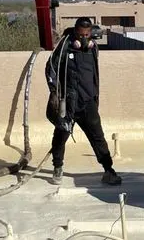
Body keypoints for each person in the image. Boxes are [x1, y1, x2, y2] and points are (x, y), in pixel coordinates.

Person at [45, 17, 122, 187]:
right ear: (75, 32)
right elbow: (50, 67)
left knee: (98, 137)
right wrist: (54, 92)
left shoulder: (93, 49)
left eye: (87, 35)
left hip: (88, 101)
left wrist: (94, 97)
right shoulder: (65, 46)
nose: (84, 38)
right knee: (60, 136)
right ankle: (58, 167)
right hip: (68, 102)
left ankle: (108, 170)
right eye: (80, 35)